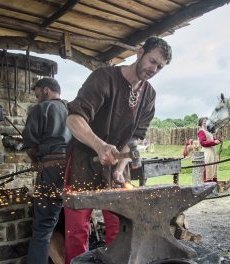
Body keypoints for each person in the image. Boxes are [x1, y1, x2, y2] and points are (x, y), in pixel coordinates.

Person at [64, 36, 172, 263]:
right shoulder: (104, 77)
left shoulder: (149, 95)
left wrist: (120, 167)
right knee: (77, 229)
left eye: (160, 67)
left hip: (117, 165)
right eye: (152, 61)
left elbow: (134, 138)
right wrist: (99, 145)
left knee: (121, 225)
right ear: (140, 51)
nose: (154, 69)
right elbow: (74, 119)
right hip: (84, 161)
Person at [22, 78, 71, 264]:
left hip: (50, 172)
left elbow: (30, 146)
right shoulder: (72, 111)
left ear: (47, 91)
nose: (37, 99)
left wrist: (36, 162)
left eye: (37, 95)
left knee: (42, 228)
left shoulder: (41, 109)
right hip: (72, 172)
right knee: (75, 225)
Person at [197, 117, 220, 182]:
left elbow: (212, 140)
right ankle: (207, 185)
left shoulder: (208, 131)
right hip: (207, 152)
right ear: (201, 122)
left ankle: (213, 185)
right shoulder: (201, 131)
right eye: (204, 121)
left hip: (212, 152)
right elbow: (202, 142)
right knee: (208, 168)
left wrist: (217, 141)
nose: (205, 122)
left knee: (213, 168)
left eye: (206, 121)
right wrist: (213, 142)